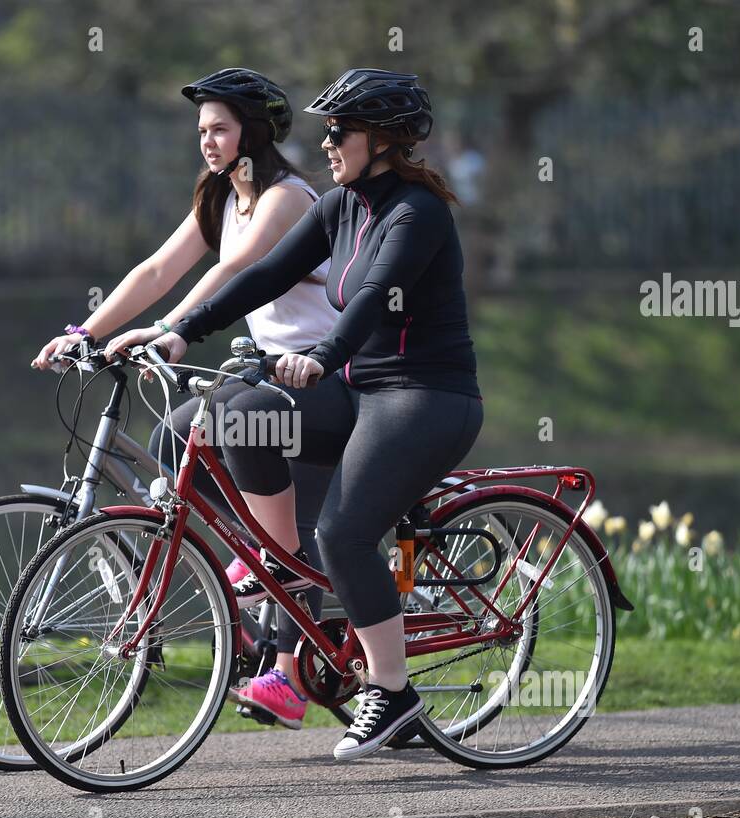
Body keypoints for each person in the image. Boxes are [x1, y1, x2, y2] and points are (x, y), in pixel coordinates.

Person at [118, 69, 485, 760]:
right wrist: (180, 330)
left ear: (380, 139)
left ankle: (394, 694)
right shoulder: (341, 204)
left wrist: (322, 354)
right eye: (326, 130)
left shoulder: (417, 212)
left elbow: (376, 295)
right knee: (237, 414)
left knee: (344, 532)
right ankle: (283, 565)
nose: (327, 142)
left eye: (339, 130)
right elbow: (263, 275)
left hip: (425, 397)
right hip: (358, 390)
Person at [33, 69, 339, 729]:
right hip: (265, 377)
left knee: (247, 457)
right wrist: (87, 333)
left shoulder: (288, 198)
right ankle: (257, 551)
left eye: (219, 128)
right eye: (201, 130)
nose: (207, 140)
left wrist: (171, 331)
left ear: (253, 132)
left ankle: (268, 566)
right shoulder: (219, 198)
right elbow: (157, 269)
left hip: (320, 379)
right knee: (175, 436)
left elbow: (238, 273)